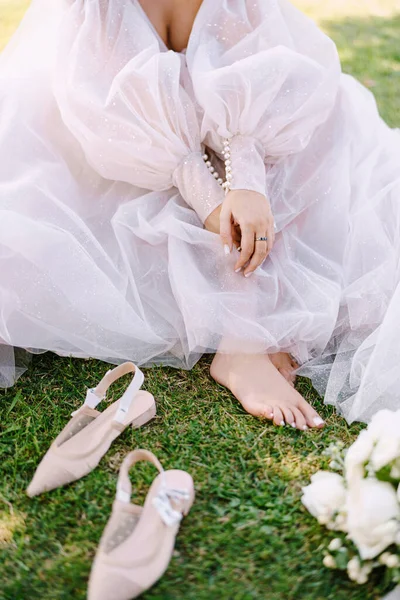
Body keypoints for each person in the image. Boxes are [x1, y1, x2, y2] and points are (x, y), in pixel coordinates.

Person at [0, 0, 399, 428]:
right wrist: (211, 202)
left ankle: (257, 328)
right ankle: (244, 339)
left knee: (308, 168)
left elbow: (256, 72)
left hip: (243, 125)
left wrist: (246, 183)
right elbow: (114, 114)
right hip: (132, 146)